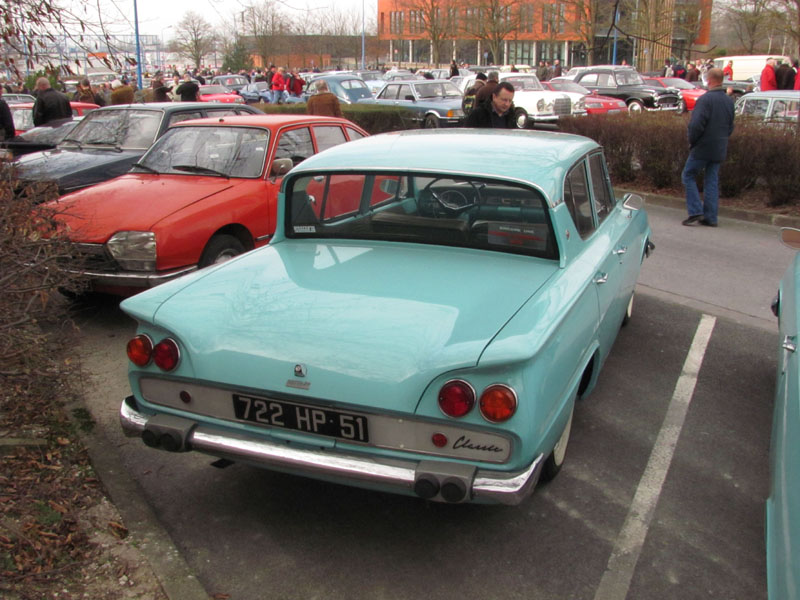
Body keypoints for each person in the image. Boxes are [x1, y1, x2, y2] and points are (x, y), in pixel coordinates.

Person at [681, 68, 734, 228]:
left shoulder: (705, 100)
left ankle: (696, 210)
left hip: (703, 145)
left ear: (709, 80)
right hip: (719, 145)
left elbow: (696, 125)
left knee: (688, 175)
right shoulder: (728, 101)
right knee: (711, 179)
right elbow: (730, 125)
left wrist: (692, 141)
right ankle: (711, 216)